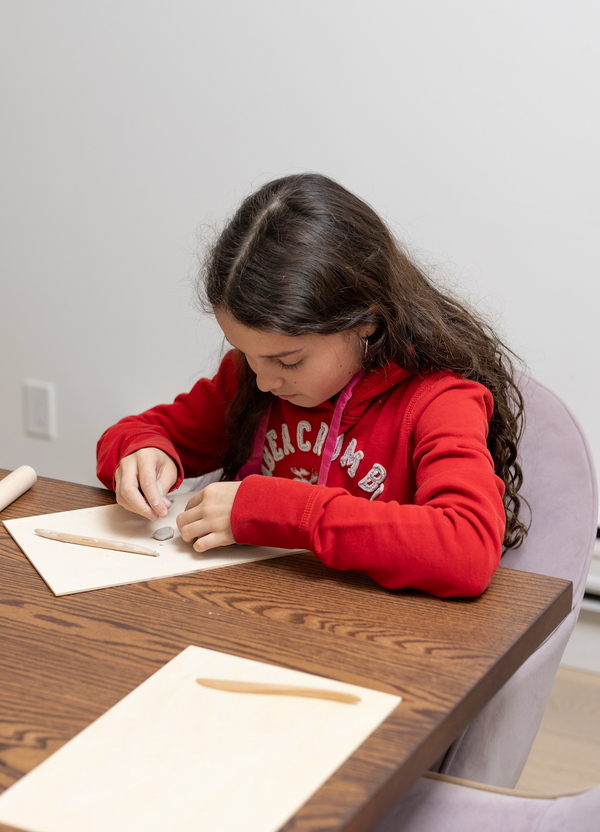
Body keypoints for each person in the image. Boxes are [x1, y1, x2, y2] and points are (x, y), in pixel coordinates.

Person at [97, 173, 528, 597]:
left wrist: (279, 511)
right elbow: (137, 433)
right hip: (261, 617)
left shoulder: (440, 400)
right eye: (246, 352)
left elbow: (466, 550)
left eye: (288, 360)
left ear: (367, 321)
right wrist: (141, 454)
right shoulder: (250, 379)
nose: (264, 380)